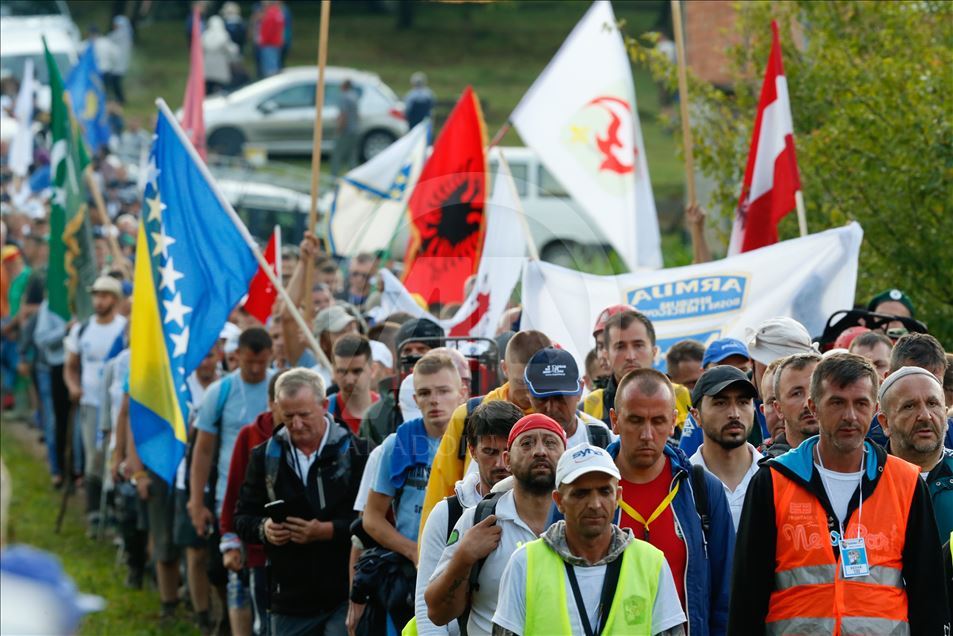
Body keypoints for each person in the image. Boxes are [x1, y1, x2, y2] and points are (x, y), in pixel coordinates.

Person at [729, 353, 949, 634]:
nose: (850, 416)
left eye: (861, 404)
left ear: (874, 410)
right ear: (814, 406)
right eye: (837, 402)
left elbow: (928, 596)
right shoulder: (773, 480)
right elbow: (747, 598)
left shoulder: (905, 482)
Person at [490, 443, 687, 636]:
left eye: (604, 491)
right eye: (581, 493)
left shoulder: (651, 563)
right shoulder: (524, 563)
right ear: (559, 501)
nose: (594, 504)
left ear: (618, 496)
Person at [234, 368, 369, 635]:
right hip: (288, 599)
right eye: (288, 417)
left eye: (304, 415)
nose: (296, 425)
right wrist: (265, 529)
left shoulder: (358, 452)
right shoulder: (264, 456)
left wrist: (327, 531)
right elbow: (242, 517)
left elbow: (372, 522)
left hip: (344, 592)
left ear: (324, 405)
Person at [608, 368, 734, 635]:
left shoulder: (703, 489)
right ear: (614, 420)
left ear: (674, 421)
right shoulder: (585, 490)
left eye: (658, 421)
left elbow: (726, 596)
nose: (647, 434)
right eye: (635, 420)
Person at [426, 414, 568, 635]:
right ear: (508, 460)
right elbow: (437, 613)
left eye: (550, 442)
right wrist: (463, 557)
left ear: (565, 456)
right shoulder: (478, 520)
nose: (540, 451)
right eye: (527, 443)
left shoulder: (579, 523)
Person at [419, 330, 550, 536]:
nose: (529, 393)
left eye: (537, 383)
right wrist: (427, 553)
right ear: (504, 368)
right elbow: (439, 489)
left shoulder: (560, 422)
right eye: (522, 383)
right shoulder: (468, 415)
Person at [413, 400, 520, 635]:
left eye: (507, 452)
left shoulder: (542, 509)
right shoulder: (447, 514)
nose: (501, 463)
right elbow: (424, 602)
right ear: (472, 450)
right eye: (490, 452)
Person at [188, 328, 273, 545]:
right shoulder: (220, 391)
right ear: (237, 355)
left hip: (271, 493)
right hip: (229, 493)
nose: (255, 369)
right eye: (249, 361)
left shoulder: (278, 387)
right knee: (231, 561)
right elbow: (203, 449)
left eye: (262, 362)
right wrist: (196, 502)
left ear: (270, 355)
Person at [219, 370, 285, 636]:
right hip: (260, 551)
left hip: (306, 555)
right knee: (266, 622)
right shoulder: (250, 436)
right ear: (271, 402)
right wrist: (230, 540)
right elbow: (234, 491)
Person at [63, 275, 127, 525]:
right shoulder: (83, 329)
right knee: (94, 454)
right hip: (91, 402)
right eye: (96, 295)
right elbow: (70, 366)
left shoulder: (123, 329)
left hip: (116, 404)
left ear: (115, 298)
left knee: (113, 453)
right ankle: (93, 511)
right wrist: (73, 387)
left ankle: (112, 506)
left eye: (105, 295)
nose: (99, 301)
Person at [584, 310, 692, 433]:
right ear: (606, 355)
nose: (630, 356)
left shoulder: (685, 398)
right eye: (620, 347)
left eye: (638, 345)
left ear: (654, 351)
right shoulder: (589, 407)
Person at [879, 367, 953, 538]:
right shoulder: (865, 481)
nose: (925, 416)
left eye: (933, 404)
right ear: (885, 423)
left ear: (945, 415)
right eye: (909, 406)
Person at [687, 366, 761, 530]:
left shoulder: (774, 477)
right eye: (720, 403)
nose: (734, 413)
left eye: (743, 402)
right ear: (696, 415)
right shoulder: (683, 483)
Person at [360, 317, 445, 445]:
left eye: (422, 349)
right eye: (407, 350)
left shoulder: (457, 402)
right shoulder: (377, 415)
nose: (413, 355)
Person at [868, 332, 951, 447]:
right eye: (911, 385)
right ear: (887, 379)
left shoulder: (950, 436)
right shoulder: (865, 443)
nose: (925, 415)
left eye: (935, 384)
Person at [524, 347, 615, 449]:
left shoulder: (602, 439)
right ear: (527, 393)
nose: (551, 408)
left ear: (580, 390)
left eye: (560, 398)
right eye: (542, 398)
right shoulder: (516, 443)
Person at [767, 352, 822, 457]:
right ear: (778, 409)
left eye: (815, 391)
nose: (808, 403)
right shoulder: (770, 471)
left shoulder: (859, 460)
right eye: (796, 394)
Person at [327, 334, 379, 435]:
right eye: (342, 372)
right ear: (333, 372)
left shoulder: (387, 411)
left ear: (373, 370)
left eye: (357, 371)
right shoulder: (324, 413)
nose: (349, 380)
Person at [330, 79, 361, 177]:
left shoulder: (344, 97)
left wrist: (339, 129)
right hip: (355, 129)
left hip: (346, 130)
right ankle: (354, 177)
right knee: (352, 156)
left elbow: (344, 115)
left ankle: (333, 178)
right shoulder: (354, 96)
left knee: (337, 155)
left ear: (344, 86)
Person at [203, 15, 239, 94]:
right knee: (222, 86)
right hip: (220, 66)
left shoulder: (205, 35)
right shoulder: (223, 35)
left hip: (207, 66)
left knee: (209, 87)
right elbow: (230, 49)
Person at [106, 16, 133, 104]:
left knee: (115, 82)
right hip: (117, 63)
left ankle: (120, 99)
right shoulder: (125, 34)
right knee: (115, 82)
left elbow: (108, 39)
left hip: (118, 64)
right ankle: (118, 98)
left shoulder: (121, 34)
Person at [256, 0, 285, 78]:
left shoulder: (270, 14)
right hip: (275, 43)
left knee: (270, 70)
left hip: (269, 44)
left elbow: (268, 30)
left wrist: (262, 40)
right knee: (274, 66)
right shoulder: (278, 13)